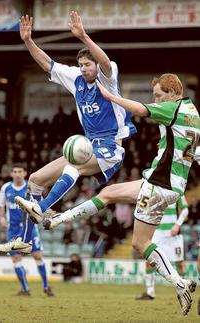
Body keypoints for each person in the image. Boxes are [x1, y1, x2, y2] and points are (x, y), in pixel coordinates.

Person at [43, 74, 200, 315]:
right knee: (108, 193)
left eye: (159, 95)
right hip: (168, 183)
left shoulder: (174, 109)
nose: (155, 100)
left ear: (172, 93)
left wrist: (110, 97)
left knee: (140, 242)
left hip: (160, 181)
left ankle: (180, 283)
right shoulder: (193, 112)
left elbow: (140, 109)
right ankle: (56, 219)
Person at [0, 11, 136, 252]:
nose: (83, 69)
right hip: (90, 144)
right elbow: (47, 63)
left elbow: (104, 62)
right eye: (81, 65)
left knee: (74, 165)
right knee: (35, 180)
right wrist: (29, 41)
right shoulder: (75, 78)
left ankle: (43, 208)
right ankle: (26, 241)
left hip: (112, 146)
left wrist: (83, 36)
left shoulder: (107, 77)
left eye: (87, 65)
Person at [0, 164, 54, 296]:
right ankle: (25, 289)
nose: (17, 174)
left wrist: (47, 215)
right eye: (14, 171)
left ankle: (46, 286)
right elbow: (0, 204)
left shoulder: (31, 187)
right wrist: (2, 218)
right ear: (11, 174)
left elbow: (40, 205)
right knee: (16, 259)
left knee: (37, 255)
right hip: (13, 229)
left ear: (25, 173)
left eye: (19, 171)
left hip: (30, 227)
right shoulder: (6, 188)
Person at [135, 195, 189, 300]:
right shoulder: (149, 189)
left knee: (180, 263)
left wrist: (178, 224)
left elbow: (185, 210)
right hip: (156, 232)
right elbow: (141, 207)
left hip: (172, 233)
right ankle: (150, 293)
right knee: (150, 261)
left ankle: (184, 291)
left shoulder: (176, 189)